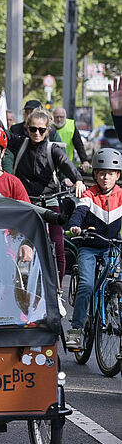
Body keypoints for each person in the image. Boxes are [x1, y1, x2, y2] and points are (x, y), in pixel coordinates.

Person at [0, 103, 84, 280]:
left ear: (47, 130)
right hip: (26, 202)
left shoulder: (53, 150)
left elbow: (67, 165)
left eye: (41, 129)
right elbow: (2, 132)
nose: (36, 133)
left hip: (50, 201)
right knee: (20, 243)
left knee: (59, 245)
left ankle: (57, 290)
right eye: (32, 129)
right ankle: (19, 284)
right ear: (27, 128)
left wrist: (78, 180)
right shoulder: (20, 144)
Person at [65, 148, 122, 348]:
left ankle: (114, 308)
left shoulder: (121, 195)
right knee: (87, 286)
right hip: (89, 247)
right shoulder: (89, 194)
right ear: (95, 174)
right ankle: (76, 329)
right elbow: (80, 212)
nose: (105, 177)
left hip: (111, 247)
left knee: (117, 283)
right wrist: (75, 225)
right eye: (101, 173)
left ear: (118, 175)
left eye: (110, 173)